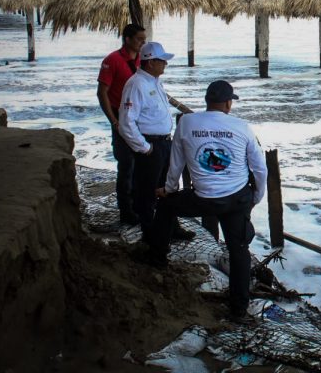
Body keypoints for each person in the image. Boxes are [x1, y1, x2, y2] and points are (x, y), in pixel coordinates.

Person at [146, 80, 268, 319]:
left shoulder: (187, 122)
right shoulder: (241, 127)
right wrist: (257, 195)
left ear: (207, 101)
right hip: (235, 200)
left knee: (166, 206)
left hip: (201, 198)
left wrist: (170, 189)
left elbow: (176, 163)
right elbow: (260, 168)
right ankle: (238, 309)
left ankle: (157, 257)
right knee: (239, 250)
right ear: (228, 103)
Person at [118, 42, 193, 242]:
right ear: (150, 62)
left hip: (163, 142)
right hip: (151, 144)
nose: (165, 64)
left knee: (168, 187)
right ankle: (150, 234)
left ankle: (171, 227)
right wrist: (144, 148)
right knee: (147, 191)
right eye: (162, 61)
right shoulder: (136, 84)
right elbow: (126, 122)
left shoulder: (154, 81)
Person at [97, 23, 146, 225]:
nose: (143, 43)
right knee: (126, 164)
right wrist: (114, 120)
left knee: (142, 165)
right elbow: (102, 93)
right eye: (139, 39)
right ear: (127, 39)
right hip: (121, 114)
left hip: (140, 117)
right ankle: (126, 212)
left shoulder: (144, 60)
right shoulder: (113, 60)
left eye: (144, 40)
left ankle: (139, 207)